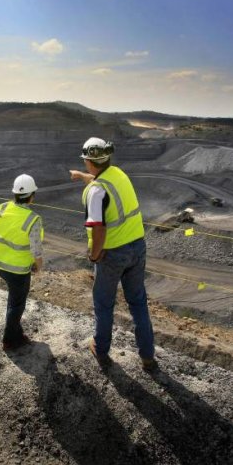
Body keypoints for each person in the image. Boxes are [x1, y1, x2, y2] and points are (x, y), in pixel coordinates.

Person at [69, 137, 157, 371]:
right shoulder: (118, 174)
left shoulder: (95, 192)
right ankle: (148, 356)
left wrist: (95, 255)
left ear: (89, 160)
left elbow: (98, 228)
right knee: (138, 302)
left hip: (112, 253)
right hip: (137, 247)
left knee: (104, 303)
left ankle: (101, 349)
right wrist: (81, 175)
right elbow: (100, 181)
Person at [0, 174, 44, 351]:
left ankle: (17, 332)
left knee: (14, 300)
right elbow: (36, 250)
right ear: (32, 196)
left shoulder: (3, 207)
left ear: (15, 194)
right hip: (18, 271)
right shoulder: (32, 219)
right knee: (17, 304)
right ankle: (10, 340)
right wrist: (38, 266)